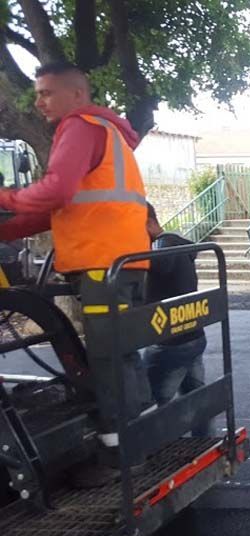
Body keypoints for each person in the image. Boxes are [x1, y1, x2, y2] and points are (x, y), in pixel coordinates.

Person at [0, 61, 151, 487]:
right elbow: (62, 208)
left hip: (104, 264)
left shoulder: (79, 127)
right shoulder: (107, 134)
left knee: (107, 359)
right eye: (38, 92)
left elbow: (56, 191)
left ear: (77, 95)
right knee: (122, 353)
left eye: (47, 92)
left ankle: (121, 458)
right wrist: (8, 227)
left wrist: (5, 196)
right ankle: (140, 439)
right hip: (121, 260)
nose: (38, 100)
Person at [141, 204, 208, 436]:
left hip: (170, 341)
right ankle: (205, 441)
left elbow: (159, 267)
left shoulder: (161, 247)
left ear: (149, 223)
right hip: (193, 334)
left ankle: (156, 449)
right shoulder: (179, 245)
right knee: (196, 397)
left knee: (151, 403)